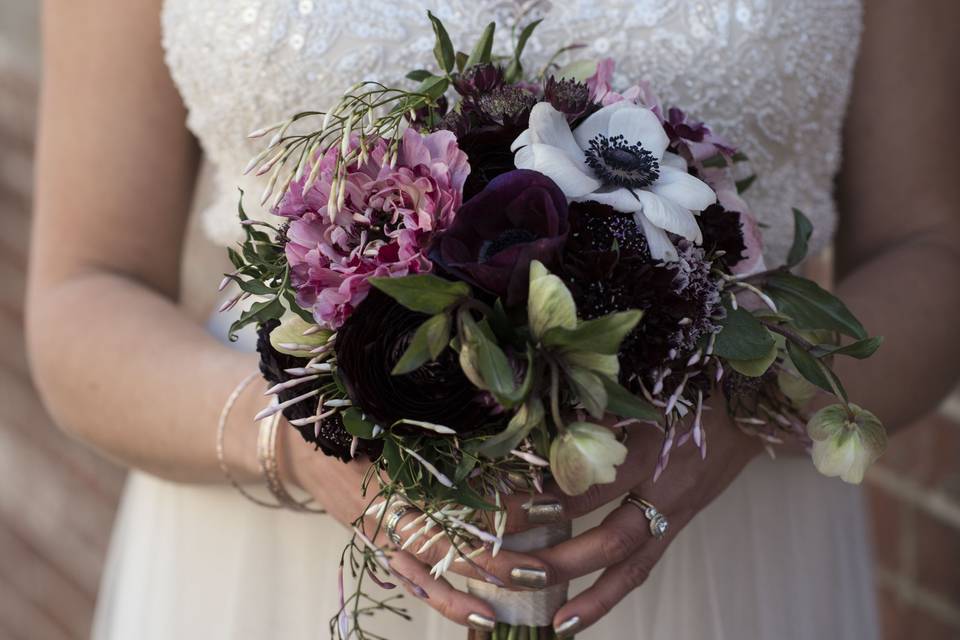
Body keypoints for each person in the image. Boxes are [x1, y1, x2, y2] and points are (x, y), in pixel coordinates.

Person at [27, 1, 960, 638]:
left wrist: (742, 407)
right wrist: (301, 440)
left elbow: (931, 252)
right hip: (285, 575)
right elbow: (86, 291)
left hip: (727, 561)